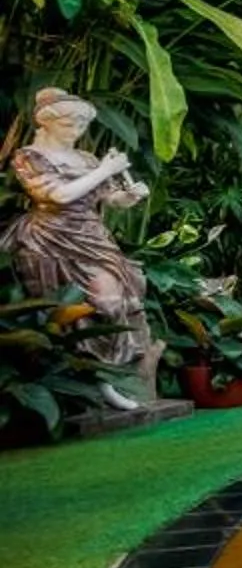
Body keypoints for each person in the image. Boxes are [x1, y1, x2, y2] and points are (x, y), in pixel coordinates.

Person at [4, 88, 160, 408]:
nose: (76, 132)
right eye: (69, 125)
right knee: (91, 303)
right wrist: (105, 170)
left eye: (81, 126)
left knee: (115, 299)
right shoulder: (29, 156)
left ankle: (107, 376)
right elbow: (58, 196)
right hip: (51, 239)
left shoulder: (86, 158)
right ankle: (88, 380)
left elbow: (110, 198)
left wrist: (131, 195)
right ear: (46, 123)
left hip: (92, 237)